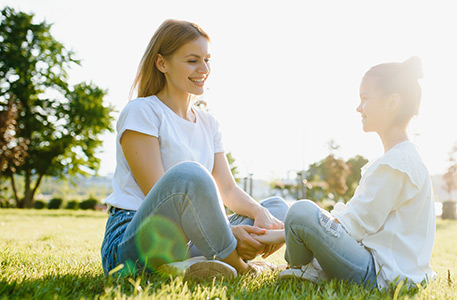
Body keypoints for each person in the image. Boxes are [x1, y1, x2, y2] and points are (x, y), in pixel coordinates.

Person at [100, 19, 288, 279]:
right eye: (192, 61)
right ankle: (242, 269)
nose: (203, 69)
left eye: (207, 59)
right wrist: (227, 232)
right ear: (161, 63)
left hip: (183, 241)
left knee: (277, 207)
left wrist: (260, 214)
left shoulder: (208, 122)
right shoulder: (142, 112)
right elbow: (160, 193)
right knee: (189, 174)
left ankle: (193, 263)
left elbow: (228, 190)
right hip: (132, 242)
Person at [254, 57, 436, 289]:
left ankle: (301, 269)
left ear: (392, 103)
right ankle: (301, 269)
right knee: (303, 214)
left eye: (365, 98)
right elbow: (352, 215)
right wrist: (288, 230)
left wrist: (285, 233)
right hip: (374, 266)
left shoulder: (398, 162)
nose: (358, 108)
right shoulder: (398, 159)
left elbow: (354, 224)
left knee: (301, 212)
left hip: (378, 275)